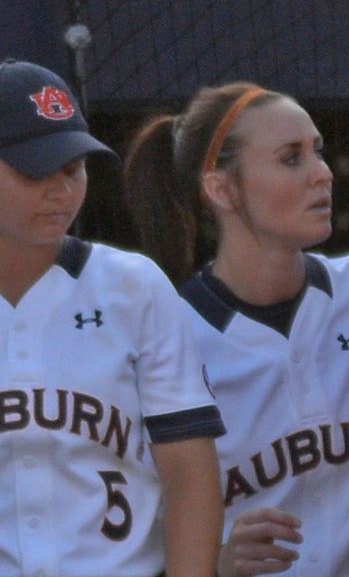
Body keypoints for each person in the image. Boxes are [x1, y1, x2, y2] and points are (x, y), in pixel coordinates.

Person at [122, 82, 349, 577]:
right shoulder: (167, 338)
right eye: (291, 158)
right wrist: (213, 565)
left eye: (318, 152)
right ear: (220, 188)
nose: (322, 174)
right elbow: (119, 537)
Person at [0, 59, 224, 576]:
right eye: (34, 169)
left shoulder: (133, 286)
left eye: (72, 168)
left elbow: (189, 472)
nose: (61, 189)